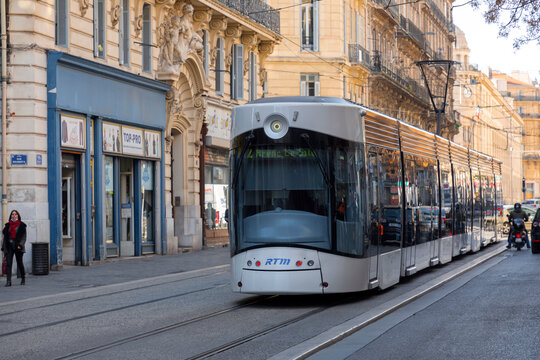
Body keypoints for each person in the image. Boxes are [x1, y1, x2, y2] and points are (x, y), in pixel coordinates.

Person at [1, 210, 27, 286]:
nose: (14, 215)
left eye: (15, 214)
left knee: (20, 263)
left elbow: (24, 237)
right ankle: (8, 281)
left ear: (18, 216)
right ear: (11, 216)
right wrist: (4, 247)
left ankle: (23, 278)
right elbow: (5, 237)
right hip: (9, 246)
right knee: (8, 263)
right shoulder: (7, 225)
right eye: (12, 214)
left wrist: (20, 245)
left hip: (18, 246)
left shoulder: (22, 225)